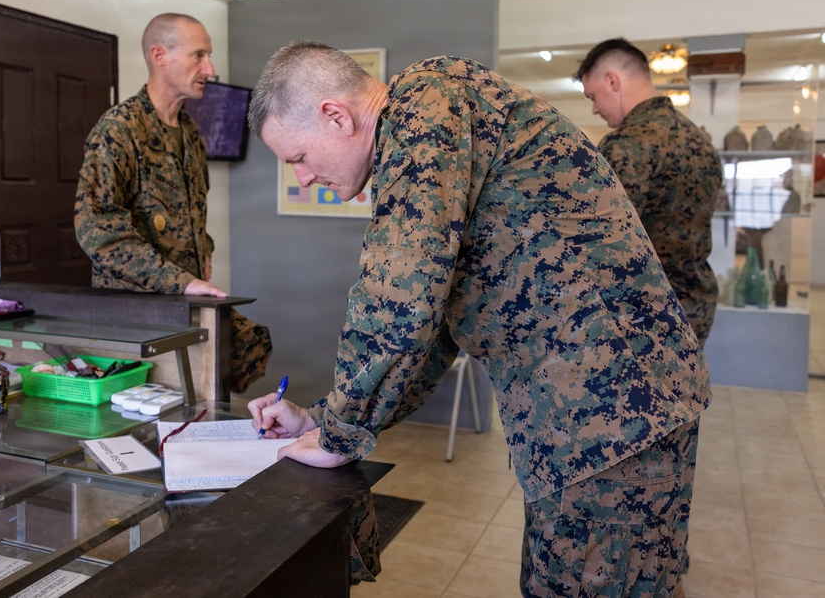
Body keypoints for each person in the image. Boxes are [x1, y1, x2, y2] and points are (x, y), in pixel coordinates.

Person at [246, 41, 710, 596]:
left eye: (297, 157)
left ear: (336, 116)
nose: (302, 177)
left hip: (612, 414)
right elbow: (431, 325)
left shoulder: (425, 102)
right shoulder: (428, 123)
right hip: (593, 416)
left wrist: (342, 432)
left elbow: (399, 294)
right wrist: (326, 418)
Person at [74, 13, 271, 393]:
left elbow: (195, 212)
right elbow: (98, 231)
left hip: (184, 302)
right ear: (159, 56)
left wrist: (205, 252)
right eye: (199, 56)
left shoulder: (190, 133)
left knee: (249, 347)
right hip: (138, 313)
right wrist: (179, 281)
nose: (210, 69)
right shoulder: (119, 130)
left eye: (209, 56)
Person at [575, 38, 722, 346]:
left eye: (593, 96)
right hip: (695, 313)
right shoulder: (700, 141)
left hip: (642, 323)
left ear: (612, 81)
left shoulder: (626, 145)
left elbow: (596, 243)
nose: (594, 109)